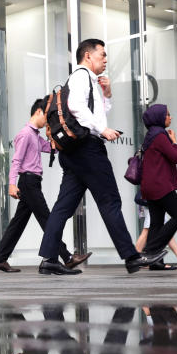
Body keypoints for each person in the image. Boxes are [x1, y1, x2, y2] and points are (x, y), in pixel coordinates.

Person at [37, 39, 164, 275]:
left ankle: (49, 259)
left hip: (74, 153)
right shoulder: (81, 76)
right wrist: (101, 130)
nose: (105, 60)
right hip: (87, 149)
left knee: (63, 207)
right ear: (88, 55)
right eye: (102, 55)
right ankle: (131, 256)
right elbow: (76, 107)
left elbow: (96, 111)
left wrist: (106, 94)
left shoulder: (86, 80)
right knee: (110, 202)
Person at [0, 101, 91, 273]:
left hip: (32, 182)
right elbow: (16, 161)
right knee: (48, 219)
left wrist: (53, 133)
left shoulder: (35, 136)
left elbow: (53, 149)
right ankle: (67, 257)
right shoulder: (25, 134)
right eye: (46, 116)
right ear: (38, 111)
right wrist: (11, 184)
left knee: (18, 223)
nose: (47, 121)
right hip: (28, 182)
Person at [139, 103, 177, 271]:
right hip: (160, 185)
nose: (170, 117)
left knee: (156, 223)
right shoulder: (160, 136)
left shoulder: (150, 135)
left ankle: (155, 262)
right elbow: (175, 157)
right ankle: (150, 251)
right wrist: (174, 142)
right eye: (167, 114)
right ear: (159, 117)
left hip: (150, 186)